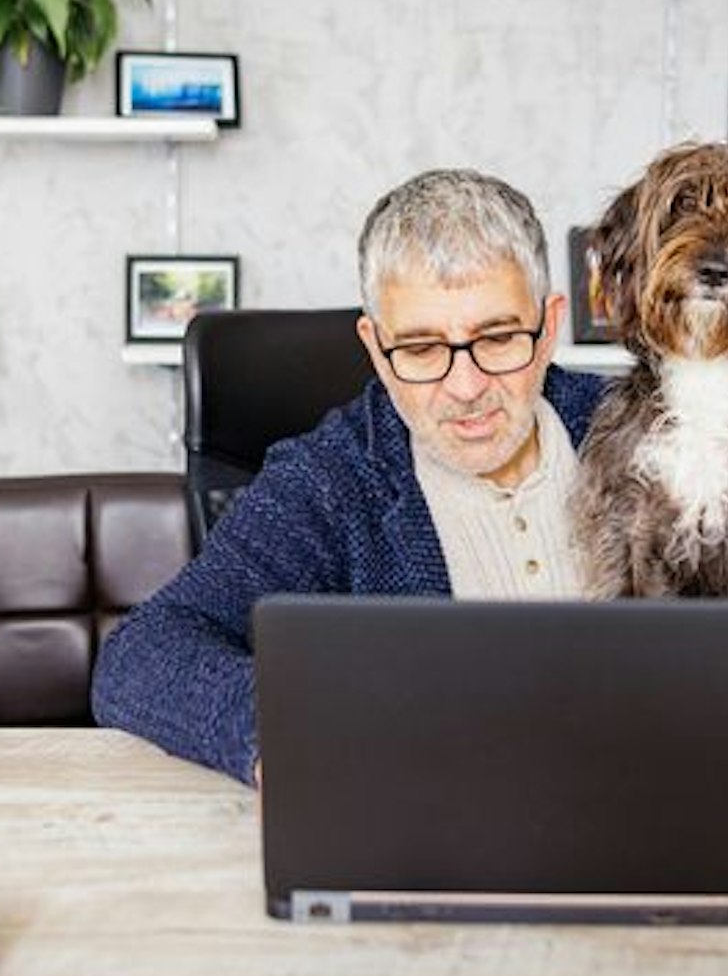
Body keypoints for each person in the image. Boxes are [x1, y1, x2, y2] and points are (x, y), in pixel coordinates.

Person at [90, 169, 608, 784]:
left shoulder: (646, 433)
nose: (465, 388)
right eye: (420, 349)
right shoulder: (334, 479)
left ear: (548, 327)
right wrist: (289, 732)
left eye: (496, 338)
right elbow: (141, 653)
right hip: (435, 829)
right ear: (375, 348)